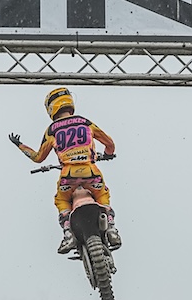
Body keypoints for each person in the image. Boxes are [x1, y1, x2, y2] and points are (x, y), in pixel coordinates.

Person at [9, 87, 121, 254]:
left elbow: (38, 157)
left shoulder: (52, 130)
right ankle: (111, 227)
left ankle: (68, 233)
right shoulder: (85, 122)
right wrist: (108, 154)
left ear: (51, 107)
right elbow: (109, 143)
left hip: (68, 176)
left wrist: (20, 145)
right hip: (91, 172)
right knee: (103, 195)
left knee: (61, 200)